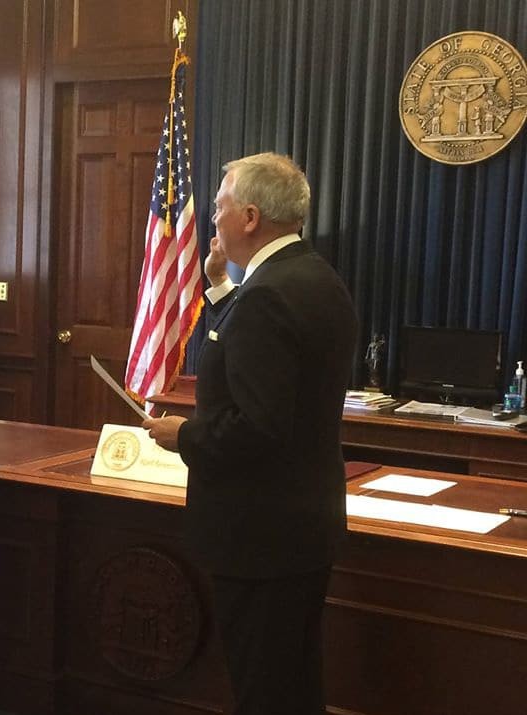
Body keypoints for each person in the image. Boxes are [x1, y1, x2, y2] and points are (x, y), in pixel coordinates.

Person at [144, 153, 357, 715]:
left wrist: (184, 435)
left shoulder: (268, 294)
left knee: (264, 690)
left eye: (219, 207)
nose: (211, 218)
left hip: (260, 534)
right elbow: (253, 351)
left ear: (250, 217)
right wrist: (217, 287)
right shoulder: (313, 276)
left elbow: (258, 427)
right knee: (293, 683)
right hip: (301, 527)